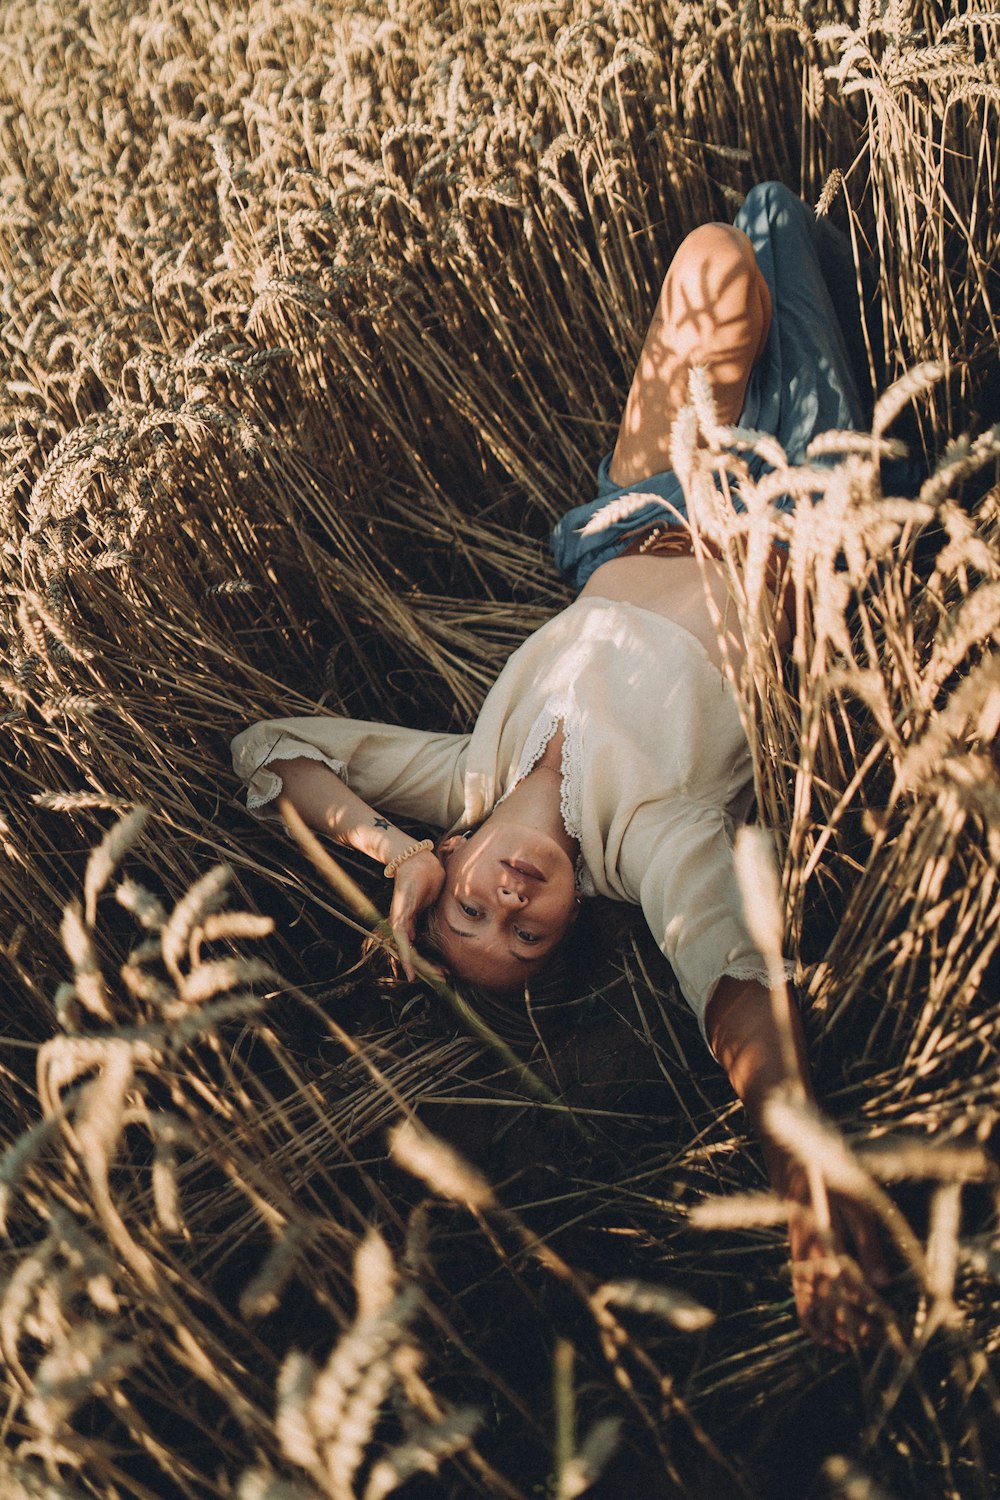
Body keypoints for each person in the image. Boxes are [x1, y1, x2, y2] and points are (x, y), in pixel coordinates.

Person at [232, 182, 889, 1349]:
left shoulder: (467, 785)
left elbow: (270, 750)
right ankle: (823, 259)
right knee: (773, 257)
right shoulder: (649, 838)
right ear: (574, 910)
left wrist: (388, 854)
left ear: (457, 858)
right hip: (791, 515)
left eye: (469, 909)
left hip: (632, 511)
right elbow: (726, 981)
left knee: (712, 262)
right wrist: (798, 1163)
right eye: (523, 937)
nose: (503, 905)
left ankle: (797, 253)